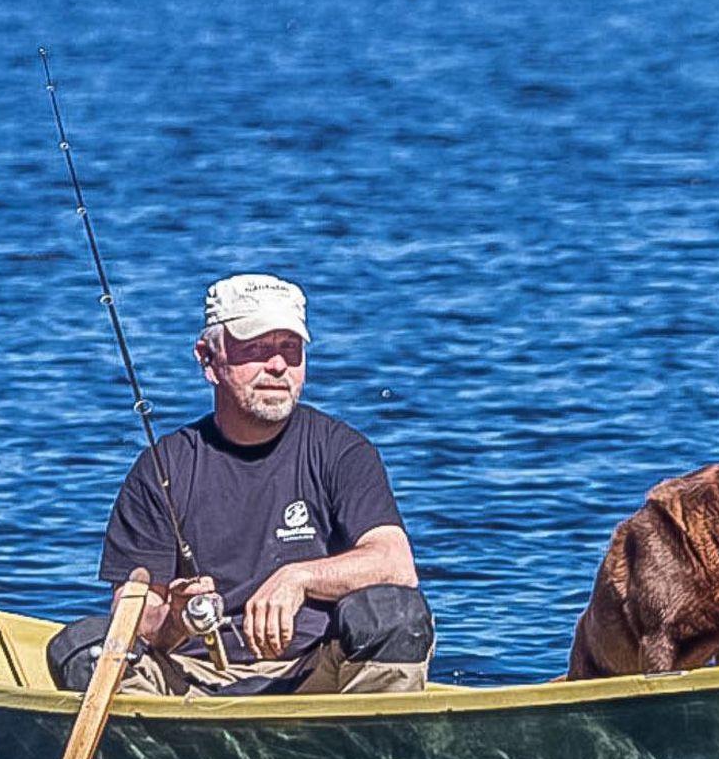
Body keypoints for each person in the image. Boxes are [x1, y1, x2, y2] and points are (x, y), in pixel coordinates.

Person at [48, 273, 433, 696]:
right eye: (256, 349)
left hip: (319, 676)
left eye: (290, 350)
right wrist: (177, 619)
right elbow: (134, 615)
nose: (277, 366)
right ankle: (158, 753)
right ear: (208, 359)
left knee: (395, 612)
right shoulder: (162, 467)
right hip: (189, 683)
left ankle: (370, 749)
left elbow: (395, 563)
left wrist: (298, 578)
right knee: (81, 646)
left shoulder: (342, 450)